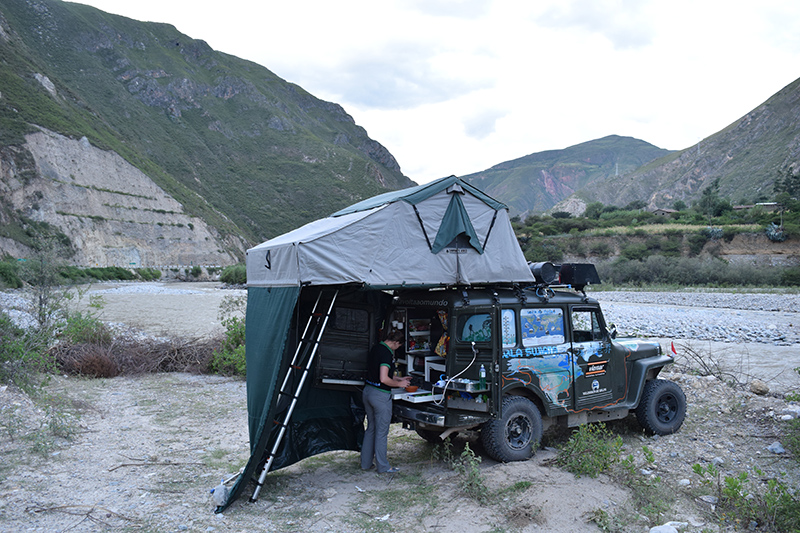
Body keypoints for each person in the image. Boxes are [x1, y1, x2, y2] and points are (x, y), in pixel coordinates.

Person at [361, 330, 410, 473]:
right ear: (395, 343)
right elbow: (384, 379)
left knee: (371, 429)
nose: (397, 349)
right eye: (398, 346)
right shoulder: (387, 354)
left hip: (368, 391)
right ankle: (383, 467)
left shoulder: (376, 348)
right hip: (380, 396)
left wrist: (400, 379)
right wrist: (399, 385)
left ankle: (366, 464)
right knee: (381, 433)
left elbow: (380, 375)